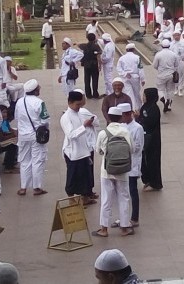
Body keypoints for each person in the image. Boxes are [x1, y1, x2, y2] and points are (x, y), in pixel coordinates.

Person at [94, 106, 133, 238]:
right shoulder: (125, 131)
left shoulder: (103, 133)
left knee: (106, 199)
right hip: (122, 171)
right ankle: (124, 228)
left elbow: (98, 150)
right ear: (121, 117)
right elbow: (131, 149)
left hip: (107, 170)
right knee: (124, 198)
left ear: (109, 117)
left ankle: (104, 229)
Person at [15, 79, 49, 196]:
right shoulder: (39, 102)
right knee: (37, 160)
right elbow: (45, 120)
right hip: (36, 136)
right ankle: (37, 187)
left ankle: (23, 187)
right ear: (35, 90)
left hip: (23, 136)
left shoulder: (19, 102)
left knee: (24, 161)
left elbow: (17, 118)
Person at [61, 90, 96, 204]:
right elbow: (71, 135)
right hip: (73, 152)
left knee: (85, 176)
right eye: (77, 104)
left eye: (80, 104)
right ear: (70, 102)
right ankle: (71, 199)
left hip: (84, 150)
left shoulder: (80, 113)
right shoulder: (66, 117)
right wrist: (84, 126)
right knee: (73, 176)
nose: (79, 107)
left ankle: (85, 198)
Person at [119, 104, 143, 227]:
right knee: (122, 192)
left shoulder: (137, 128)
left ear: (128, 114)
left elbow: (138, 147)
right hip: (122, 163)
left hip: (132, 163)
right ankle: (123, 217)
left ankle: (134, 218)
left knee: (132, 191)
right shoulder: (121, 126)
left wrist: (122, 148)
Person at [138, 88, 162, 191]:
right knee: (144, 160)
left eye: (144, 96)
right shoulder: (145, 107)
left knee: (153, 161)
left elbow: (150, 122)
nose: (143, 98)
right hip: (145, 137)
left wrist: (140, 118)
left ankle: (155, 183)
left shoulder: (154, 108)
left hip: (152, 139)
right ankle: (147, 179)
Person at [153, 39, 179, 113]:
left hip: (161, 75)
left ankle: (163, 99)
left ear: (161, 46)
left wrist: (160, 69)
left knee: (160, 89)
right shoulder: (173, 54)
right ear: (169, 46)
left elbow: (155, 65)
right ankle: (169, 104)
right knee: (170, 90)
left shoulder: (158, 54)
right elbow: (176, 64)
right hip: (171, 74)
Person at [81, 34, 103, 99]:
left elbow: (79, 45)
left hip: (86, 64)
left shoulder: (84, 46)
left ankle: (88, 94)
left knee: (87, 79)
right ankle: (95, 94)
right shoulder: (96, 46)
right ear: (94, 38)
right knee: (95, 79)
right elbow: (98, 56)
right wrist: (100, 65)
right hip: (94, 64)